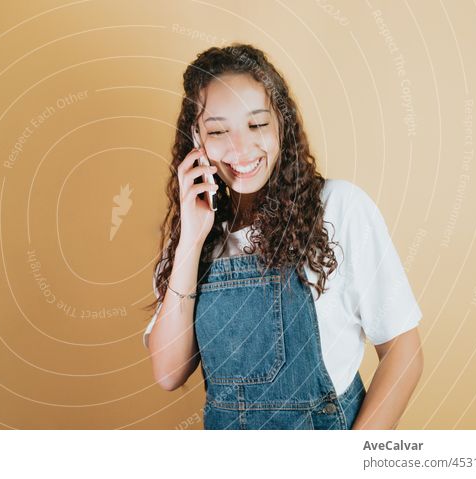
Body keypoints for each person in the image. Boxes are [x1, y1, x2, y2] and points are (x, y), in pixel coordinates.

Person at [143, 43, 424, 430]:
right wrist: (192, 240)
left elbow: (403, 352)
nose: (241, 148)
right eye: (218, 130)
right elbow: (169, 373)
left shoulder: (338, 208)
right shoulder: (194, 237)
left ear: (281, 123)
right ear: (196, 138)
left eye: (257, 124)